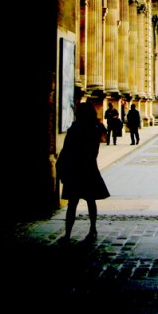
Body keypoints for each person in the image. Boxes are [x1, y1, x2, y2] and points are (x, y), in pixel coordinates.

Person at [56, 101, 110, 244]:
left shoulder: (76, 128)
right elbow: (96, 148)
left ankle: (67, 234)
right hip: (89, 167)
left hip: (75, 169)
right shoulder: (96, 128)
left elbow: (67, 149)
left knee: (72, 203)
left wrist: (61, 166)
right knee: (91, 201)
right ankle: (93, 228)